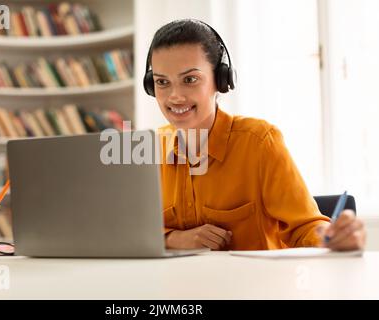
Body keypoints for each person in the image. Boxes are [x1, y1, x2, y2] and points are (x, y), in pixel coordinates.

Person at [143, 19, 366, 251]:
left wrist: (333, 237)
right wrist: (172, 238)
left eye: (190, 80)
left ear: (221, 81)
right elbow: (132, 230)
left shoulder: (260, 142)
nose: (175, 96)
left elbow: (306, 227)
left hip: (256, 285)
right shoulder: (149, 149)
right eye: (162, 82)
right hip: (178, 285)